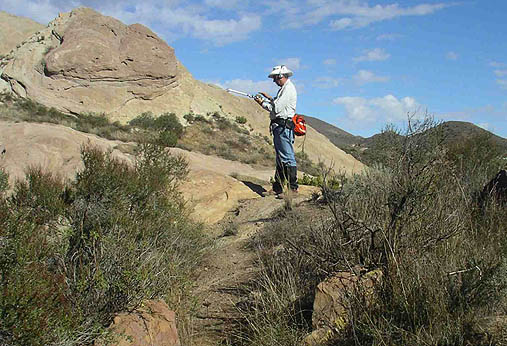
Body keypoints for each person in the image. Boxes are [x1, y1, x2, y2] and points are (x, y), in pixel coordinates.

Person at [254, 65, 298, 196]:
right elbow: (279, 103)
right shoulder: (285, 89)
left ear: (280, 77)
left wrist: (262, 103)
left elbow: (277, 109)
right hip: (280, 127)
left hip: (283, 127)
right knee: (281, 158)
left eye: (275, 78)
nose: (274, 81)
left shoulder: (288, 89)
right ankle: (278, 188)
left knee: (287, 157)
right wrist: (270, 98)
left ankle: (292, 189)